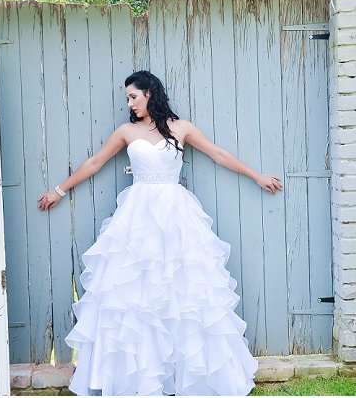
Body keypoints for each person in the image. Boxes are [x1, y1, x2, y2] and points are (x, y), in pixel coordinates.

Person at [37, 70, 283, 396]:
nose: (130, 103)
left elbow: (218, 154)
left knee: (185, 290)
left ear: (149, 93)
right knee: (135, 292)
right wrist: (59, 189)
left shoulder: (181, 128)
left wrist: (256, 175)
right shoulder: (126, 131)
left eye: (133, 96)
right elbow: (95, 162)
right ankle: (138, 377)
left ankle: (189, 374)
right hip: (137, 217)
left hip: (176, 215)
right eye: (127, 98)